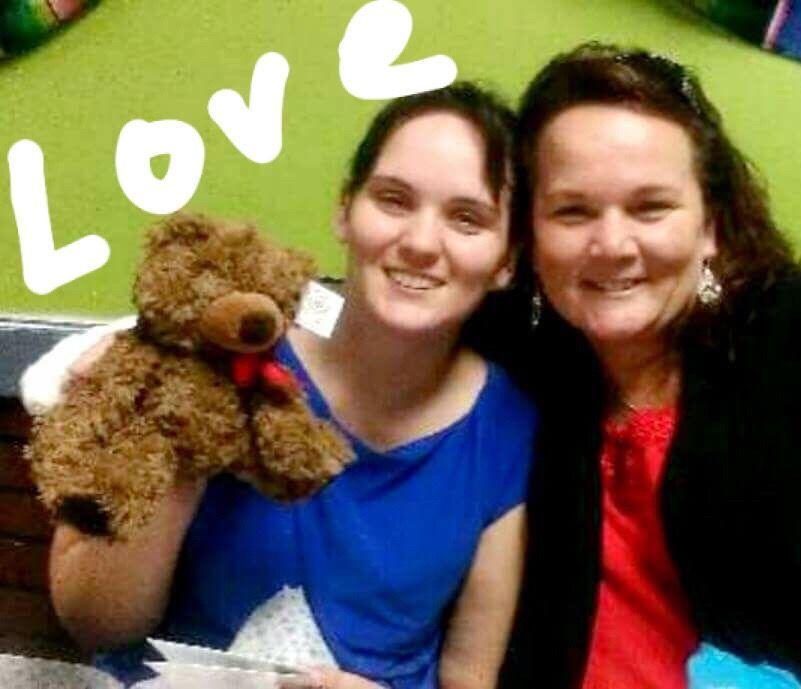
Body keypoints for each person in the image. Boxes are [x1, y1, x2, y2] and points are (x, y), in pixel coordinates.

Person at [28, 83, 536, 689]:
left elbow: (468, 677)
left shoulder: (507, 427)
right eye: (394, 200)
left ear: (507, 259)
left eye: (467, 218)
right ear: (345, 210)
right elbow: (93, 621)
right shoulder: (222, 342)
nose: (422, 243)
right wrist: (184, 440)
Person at [500, 43, 801, 689]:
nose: (610, 244)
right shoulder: (518, 367)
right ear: (528, 234)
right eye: (572, 211)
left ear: (711, 224)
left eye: (650, 207)